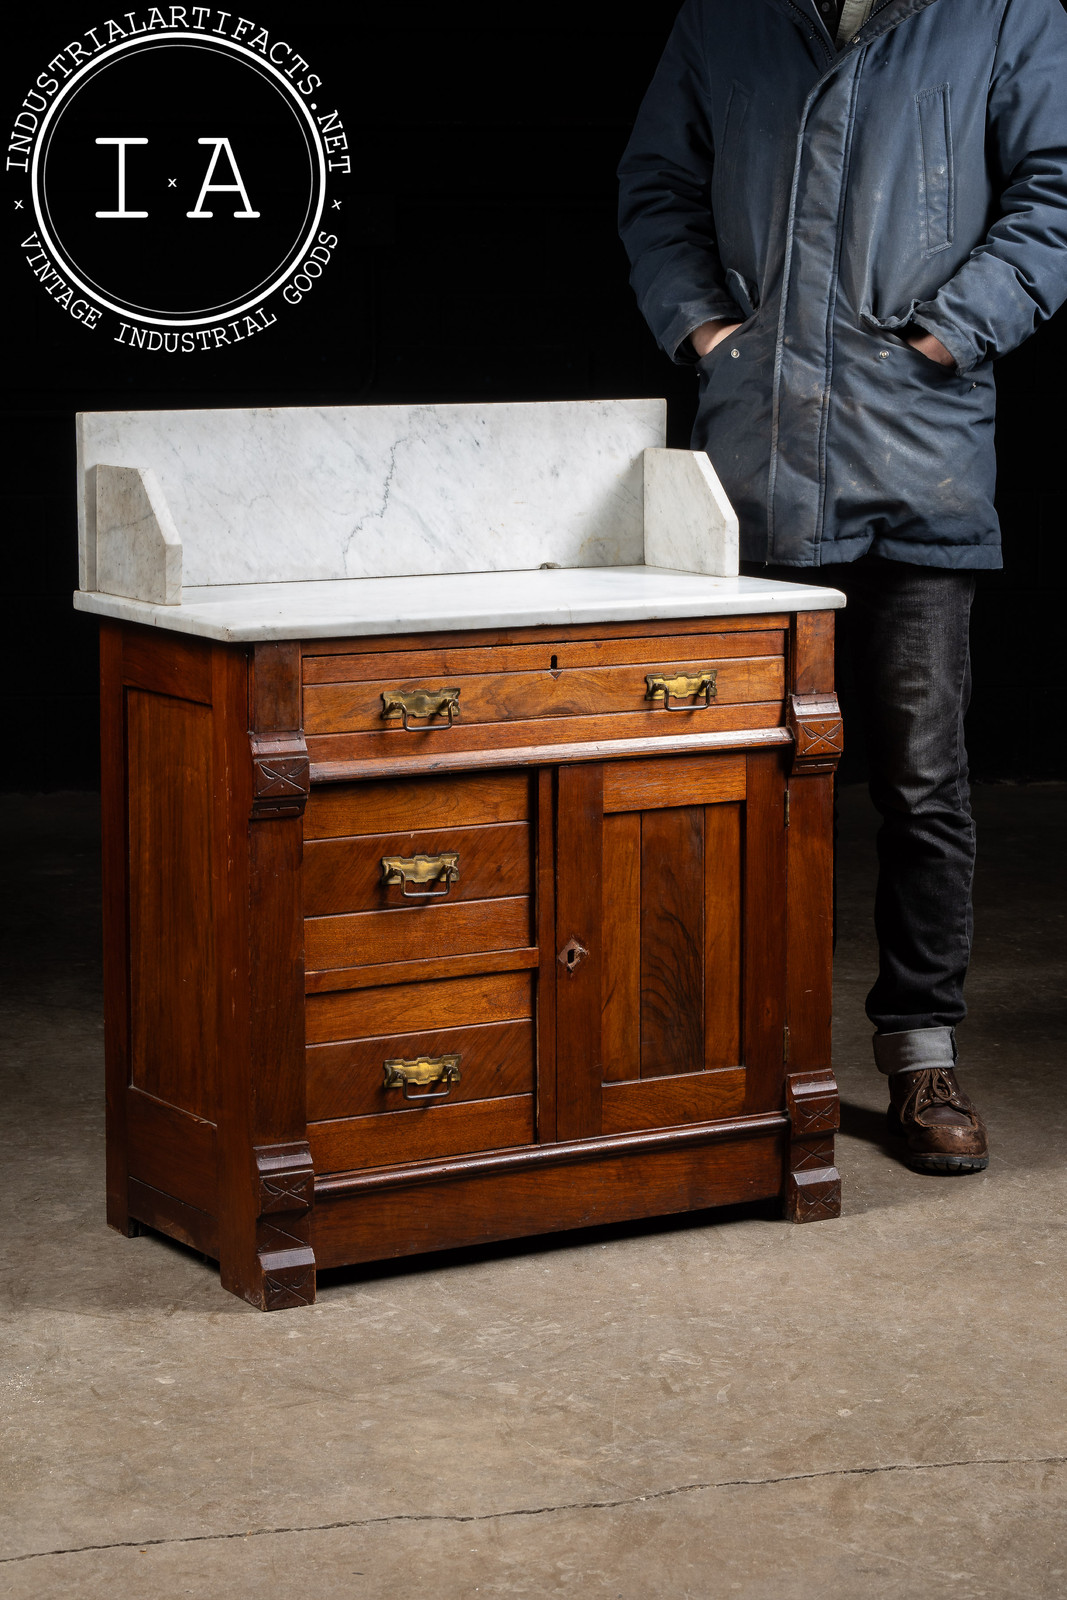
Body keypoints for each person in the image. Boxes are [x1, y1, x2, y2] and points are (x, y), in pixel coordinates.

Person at [618, 0, 1067, 1174]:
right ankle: (733, 1054)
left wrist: (945, 335)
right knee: (735, 771)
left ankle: (919, 1054)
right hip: (754, 461)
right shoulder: (723, 22)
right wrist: (710, 331)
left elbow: (1053, 196)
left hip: (917, 459)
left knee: (919, 777)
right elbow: (657, 186)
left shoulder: (1004, 16)